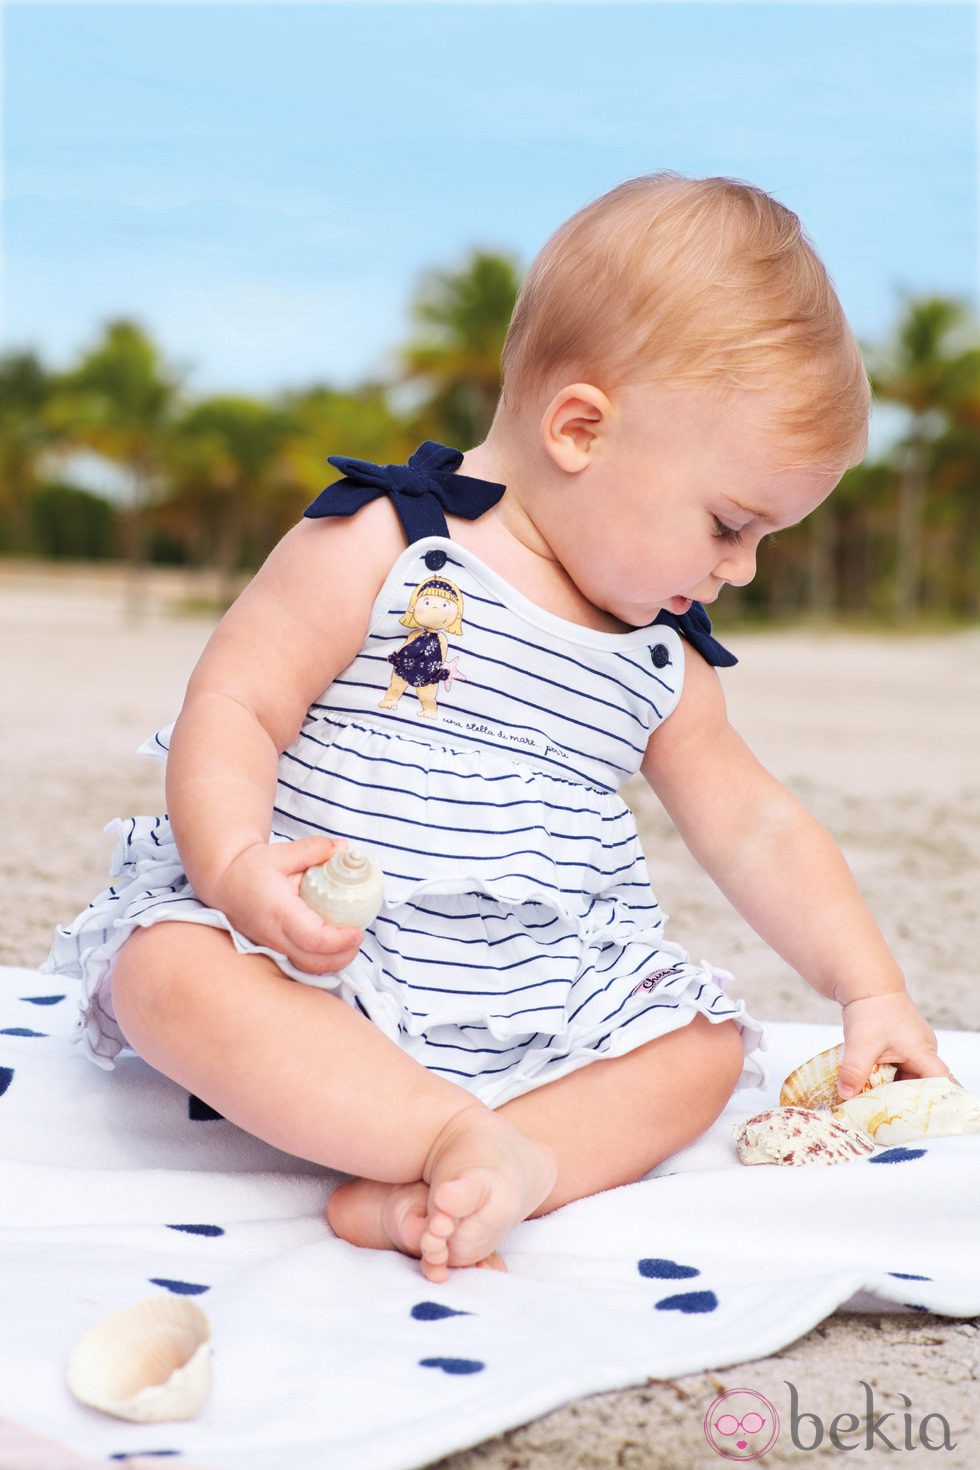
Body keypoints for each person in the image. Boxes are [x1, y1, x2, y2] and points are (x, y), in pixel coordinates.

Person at [46, 173, 948, 1282]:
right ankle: (436, 1137)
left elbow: (755, 829)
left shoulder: (658, 656)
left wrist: (869, 990)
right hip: (318, 962)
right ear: (579, 428)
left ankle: (508, 1166)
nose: (739, 569)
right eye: (727, 523)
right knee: (166, 968)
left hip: (533, 991)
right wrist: (236, 868)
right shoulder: (387, 545)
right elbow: (232, 704)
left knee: (703, 1052)